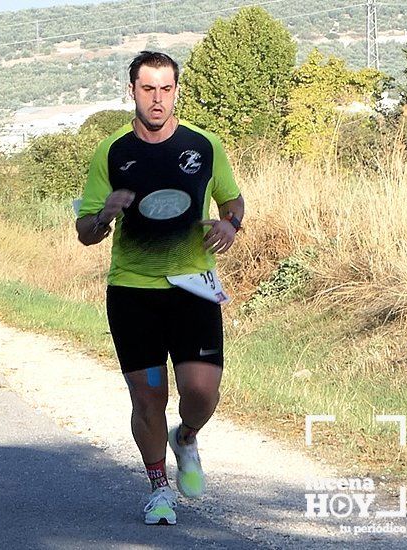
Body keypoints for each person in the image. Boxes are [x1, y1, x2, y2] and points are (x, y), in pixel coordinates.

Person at [75, 51, 244, 526]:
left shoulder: (205, 144)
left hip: (195, 286)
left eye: (166, 89)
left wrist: (230, 224)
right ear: (132, 90)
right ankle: (158, 488)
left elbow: (232, 200)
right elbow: (86, 231)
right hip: (133, 291)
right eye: (148, 88)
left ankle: (186, 435)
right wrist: (106, 213)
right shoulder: (111, 151)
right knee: (148, 396)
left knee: (202, 393)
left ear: (176, 91)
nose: (157, 98)